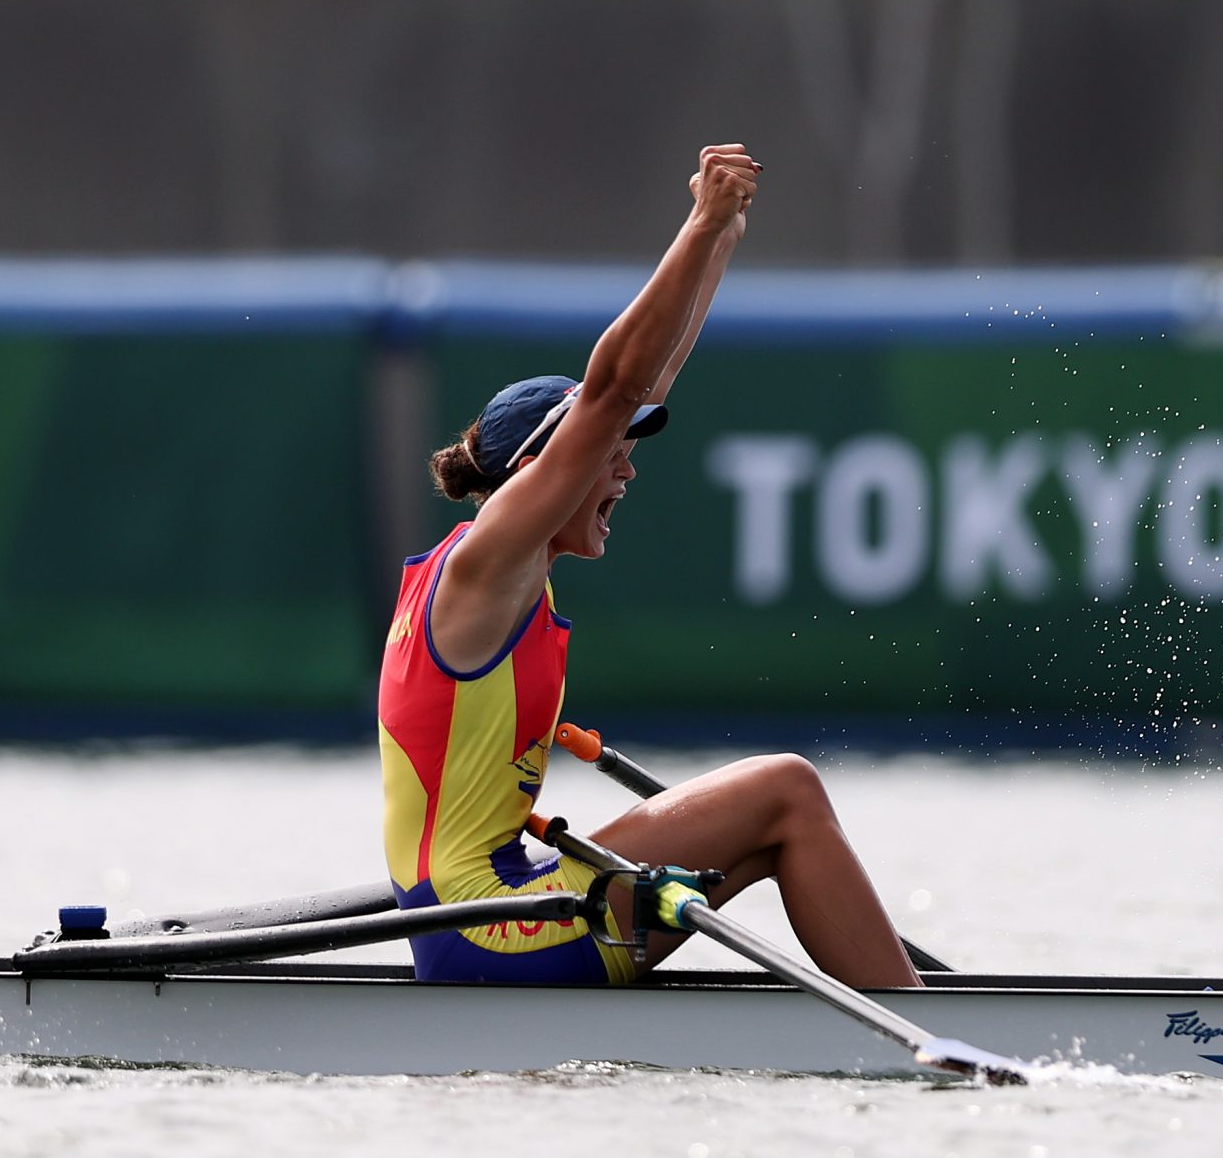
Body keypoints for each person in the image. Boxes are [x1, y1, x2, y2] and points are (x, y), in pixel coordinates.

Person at [377, 144, 922, 990]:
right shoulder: (493, 559)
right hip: (485, 927)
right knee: (787, 785)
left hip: (487, 906)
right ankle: (929, 1027)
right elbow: (611, 389)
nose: (627, 471)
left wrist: (720, 238)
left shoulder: (478, 568)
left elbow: (642, 381)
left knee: (777, 820)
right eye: (608, 458)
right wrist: (701, 221)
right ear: (537, 473)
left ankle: (909, 1002)